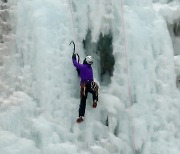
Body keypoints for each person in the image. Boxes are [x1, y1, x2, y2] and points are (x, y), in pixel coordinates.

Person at [72, 53, 99, 123]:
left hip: (84, 85)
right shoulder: (90, 69)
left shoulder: (83, 67)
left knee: (83, 101)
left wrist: (73, 58)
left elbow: (75, 64)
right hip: (91, 84)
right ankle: (95, 100)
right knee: (95, 90)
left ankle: (81, 116)